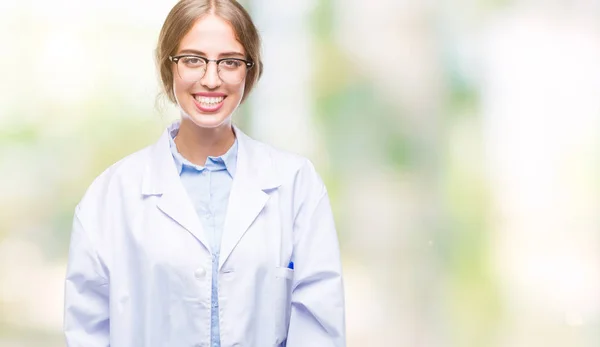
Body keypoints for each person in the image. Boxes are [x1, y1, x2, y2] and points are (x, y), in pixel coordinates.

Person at [63, 0, 346, 346]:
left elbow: (319, 326)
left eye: (229, 62)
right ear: (169, 67)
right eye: (193, 60)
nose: (211, 80)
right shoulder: (111, 195)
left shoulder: (296, 185)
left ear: (250, 70)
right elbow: (87, 331)